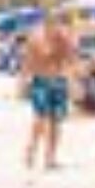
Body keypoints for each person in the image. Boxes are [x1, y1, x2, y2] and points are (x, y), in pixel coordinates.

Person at [25, 13, 78, 172]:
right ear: (45, 25)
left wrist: (72, 82)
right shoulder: (35, 39)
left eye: (57, 24)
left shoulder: (64, 39)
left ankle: (50, 158)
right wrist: (24, 81)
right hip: (40, 81)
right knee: (40, 119)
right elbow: (28, 61)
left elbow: (70, 61)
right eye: (51, 24)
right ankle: (32, 149)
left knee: (56, 121)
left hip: (58, 81)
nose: (55, 28)